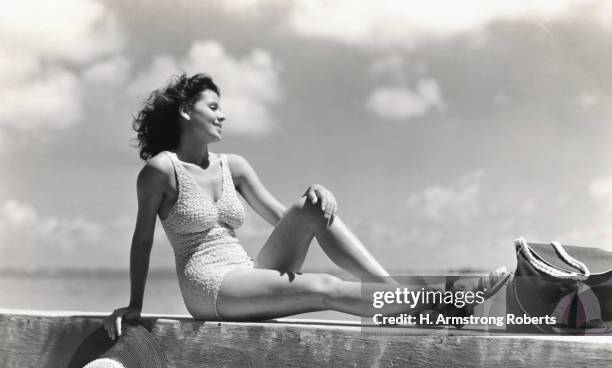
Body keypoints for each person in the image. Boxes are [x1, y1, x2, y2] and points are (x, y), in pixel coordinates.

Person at [104, 73, 507, 340]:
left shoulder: (235, 166)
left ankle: (398, 295)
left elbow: (285, 220)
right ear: (185, 110)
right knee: (323, 287)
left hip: (247, 273)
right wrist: (135, 305)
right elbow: (142, 242)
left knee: (312, 207)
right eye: (213, 107)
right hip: (208, 285)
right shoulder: (161, 171)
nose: (223, 115)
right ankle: (443, 303)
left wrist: (314, 195)